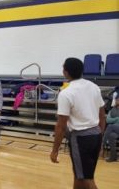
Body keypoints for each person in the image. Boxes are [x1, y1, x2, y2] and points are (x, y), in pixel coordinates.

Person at [50, 58, 105, 189]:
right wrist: (100, 138)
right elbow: (102, 116)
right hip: (96, 135)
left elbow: (61, 126)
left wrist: (54, 150)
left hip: (81, 139)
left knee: (87, 179)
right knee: (79, 174)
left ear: (66, 72)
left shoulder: (66, 93)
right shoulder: (94, 86)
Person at [103, 93, 119, 162]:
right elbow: (108, 120)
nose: (116, 101)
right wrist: (117, 118)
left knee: (110, 126)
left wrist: (114, 119)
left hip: (114, 128)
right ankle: (113, 156)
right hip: (115, 130)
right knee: (111, 136)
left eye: (118, 100)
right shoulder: (112, 110)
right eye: (116, 100)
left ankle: (101, 145)